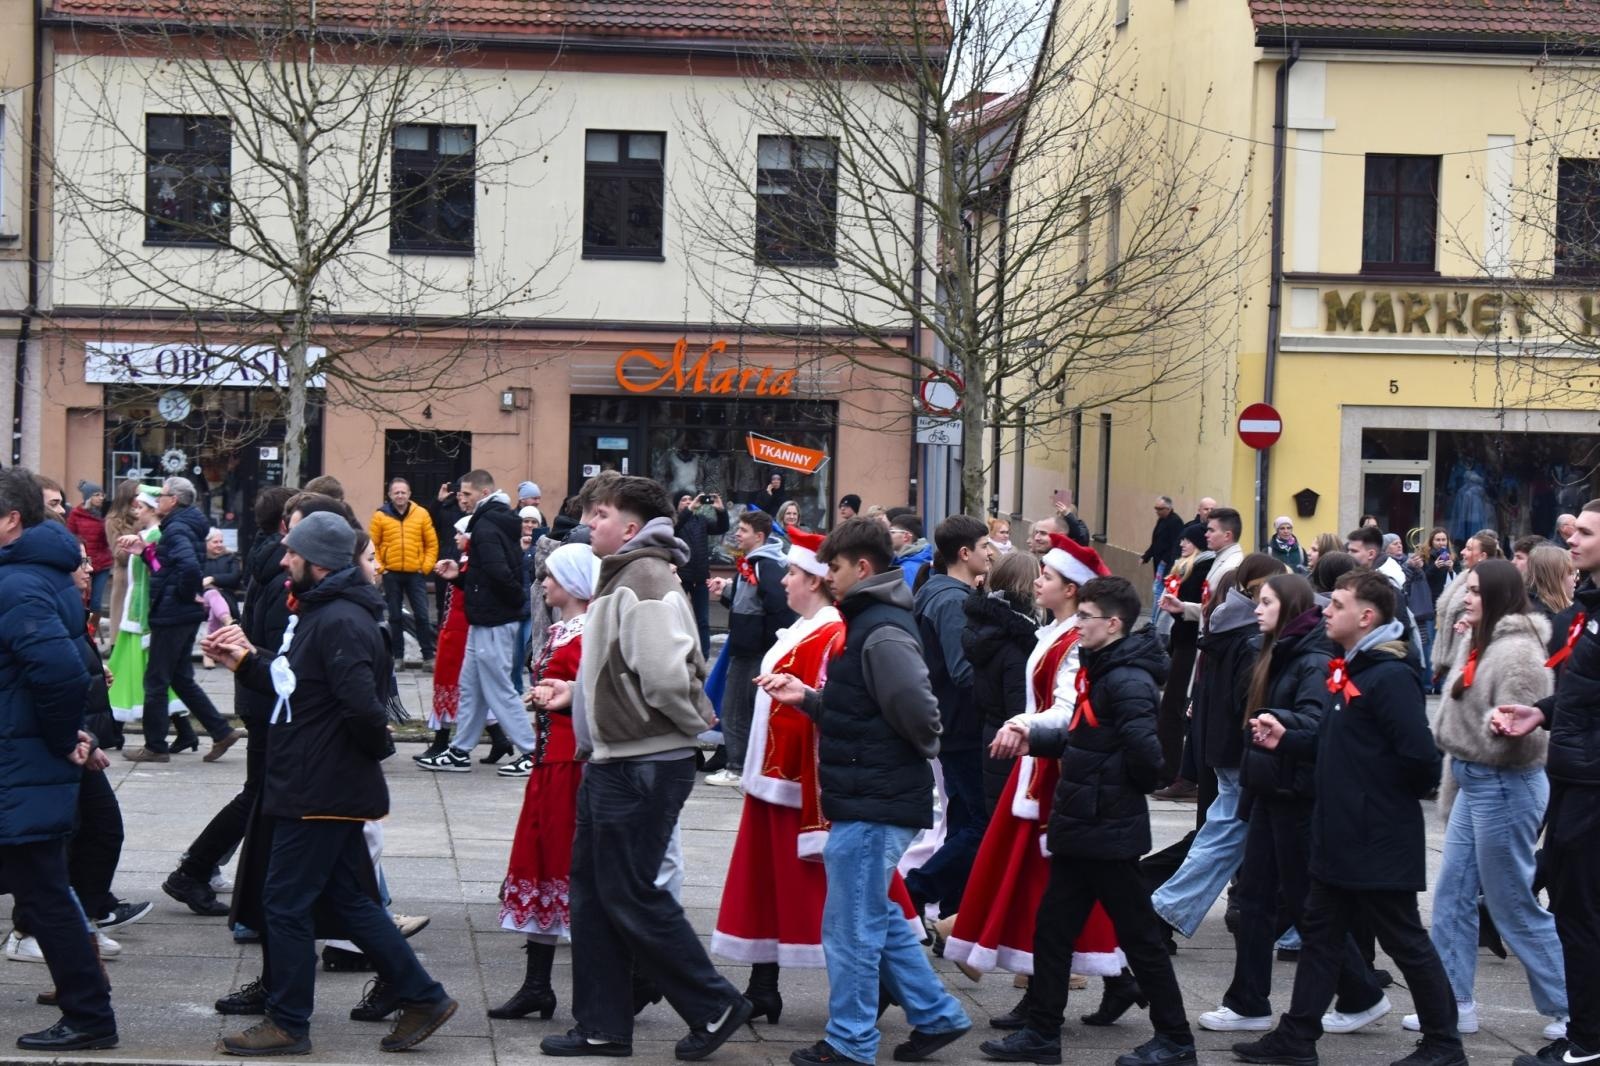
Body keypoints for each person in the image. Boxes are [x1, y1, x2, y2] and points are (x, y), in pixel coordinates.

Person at [207, 512, 457, 1056]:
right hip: (316, 781)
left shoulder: (340, 619)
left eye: (292, 553)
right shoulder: (322, 613)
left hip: (319, 787)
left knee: (286, 903)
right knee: (351, 902)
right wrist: (245, 661)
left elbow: (363, 710)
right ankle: (423, 996)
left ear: (317, 562)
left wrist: (362, 762)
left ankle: (289, 1022)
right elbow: (298, 684)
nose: (284, 560)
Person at [539, 474, 750, 1061]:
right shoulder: (625, 575)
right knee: (597, 895)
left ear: (632, 527)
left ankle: (714, 1005)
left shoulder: (646, 577)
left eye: (601, 514)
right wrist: (579, 699)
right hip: (613, 760)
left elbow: (662, 675)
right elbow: (619, 669)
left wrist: (689, 724)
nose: (590, 524)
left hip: (642, 763)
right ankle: (603, 1026)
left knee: (629, 893)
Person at [757, 517, 971, 1066]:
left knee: (850, 928)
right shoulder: (870, 623)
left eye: (833, 566)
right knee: (874, 917)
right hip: (869, 795)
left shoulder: (881, 629)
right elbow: (865, 711)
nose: (826, 575)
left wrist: (902, 751)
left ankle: (851, 1042)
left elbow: (922, 715)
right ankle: (938, 1015)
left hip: (876, 800)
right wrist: (807, 697)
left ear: (863, 568)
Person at [1236, 570, 1461, 1066]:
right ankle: (1297, 1039)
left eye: (1335, 605)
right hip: (1339, 834)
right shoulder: (1352, 669)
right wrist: (1287, 739)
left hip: (1374, 835)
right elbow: (1337, 745)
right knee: (1319, 935)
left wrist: (1368, 798)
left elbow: (1421, 760)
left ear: (1366, 616)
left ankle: (1444, 1044)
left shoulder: (1390, 676)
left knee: (1404, 939)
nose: (1324, 612)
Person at [979, 576, 1195, 1066]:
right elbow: (1086, 739)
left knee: (1140, 939)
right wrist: (1037, 742)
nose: (1077, 625)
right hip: (1081, 826)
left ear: (1113, 624)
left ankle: (1176, 1040)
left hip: (1106, 829)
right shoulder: (1103, 670)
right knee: (1053, 931)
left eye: (1085, 617)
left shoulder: (1128, 680)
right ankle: (1041, 1032)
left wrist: (1105, 786)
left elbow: (1149, 759)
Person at [711, 525, 921, 1026]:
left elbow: (839, 711)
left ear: (817, 581)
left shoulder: (832, 632)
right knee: (770, 887)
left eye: (793, 573)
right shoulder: (807, 629)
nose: (783, 581)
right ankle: (764, 986)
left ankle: (896, 988)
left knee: (847, 893)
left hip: (806, 790)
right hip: (777, 784)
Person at [948, 539, 1133, 1028]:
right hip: (1037, 770)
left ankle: (1086, 987)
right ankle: (1105, 982)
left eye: (1047, 577)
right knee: (1046, 886)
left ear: (1070, 590)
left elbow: (1068, 709)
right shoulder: (1054, 631)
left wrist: (1023, 726)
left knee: (1052, 886)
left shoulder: (1074, 641)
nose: (1037, 581)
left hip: (1052, 773)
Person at [1199, 573, 1385, 1034]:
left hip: (1295, 795)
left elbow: (1315, 725)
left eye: (1265, 603)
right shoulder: (1277, 652)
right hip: (1271, 788)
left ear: (1289, 607)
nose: (1256, 609)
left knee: (1302, 904)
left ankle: (1361, 992)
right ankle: (1248, 1002)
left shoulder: (1312, 658)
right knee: (1257, 899)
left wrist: (1274, 719)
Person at [1408, 559, 1568, 1041]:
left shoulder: (1519, 651)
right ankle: (1454, 1003)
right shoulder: (1480, 641)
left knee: (1511, 902)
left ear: (1497, 597)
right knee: (1452, 896)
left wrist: (1497, 730)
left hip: (1505, 783)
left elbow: (1525, 733)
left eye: (1475, 591)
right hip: (1473, 779)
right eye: (1466, 589)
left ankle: (1576, 1006)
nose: (1466, 597)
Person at [0, 466, 117, 1052]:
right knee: (45, 895)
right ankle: (90, 1010)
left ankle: (91, 1015)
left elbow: (61, 670)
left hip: (21, 768)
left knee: (46, 897)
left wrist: (58, 738)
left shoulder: (17, 584)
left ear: (11, 520)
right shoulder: (31, 575)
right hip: (22, 765)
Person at [1493, 500, 1600, 1066]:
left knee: (1580, 915)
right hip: (1572, 777)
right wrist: (1543, 712)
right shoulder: (1585, 609)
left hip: (1590, 785)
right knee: (1574, 912)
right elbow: (1585, 695)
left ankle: (1586, 1043)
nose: (1571, 539)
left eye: (1584, 531)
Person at [162, 486, 296, 919]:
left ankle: (205, 871)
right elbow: (275, 649)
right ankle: (195, 871)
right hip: (267, 699)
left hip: (261, 695)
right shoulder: (279, 571)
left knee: (259, 794)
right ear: (284, 525)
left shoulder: (266, 560)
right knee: (257, 795)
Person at [489, 542, 598, 1021]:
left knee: (563, 865)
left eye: (550, 577)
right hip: (549, 761)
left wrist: (564, 698)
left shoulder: (591, 633)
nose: (543, 584)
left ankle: (623, 979)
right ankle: (537, 984)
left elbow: (602, 695)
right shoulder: (563, 630)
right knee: (539, 862)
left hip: (572, 763)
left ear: (573, 583)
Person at [1149, 556, 1282, 942]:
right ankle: (1161, 910)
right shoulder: (1249, 634)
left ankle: (1288, 927)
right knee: (1223, 837)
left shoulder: (1229, 622)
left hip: (1228, 749)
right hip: (1242, 753)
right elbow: (1246, 701)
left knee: (1223, 835)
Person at [417, 471, 537, 776]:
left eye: (467, 494)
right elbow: (489, 573)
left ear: (484, 493)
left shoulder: (484, 526)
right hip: (486, 618)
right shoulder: (492, 521)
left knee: (498, 688)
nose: (461, 498)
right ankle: (459, 750)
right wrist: (460, 577)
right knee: (470, 686)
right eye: (460, 494)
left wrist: (511, 603)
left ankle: (532, 750)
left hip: (493, 619)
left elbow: (500, 573)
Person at [120, 476, 243, 763]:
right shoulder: (183, 526)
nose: (158, 499)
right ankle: (221, 730)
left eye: (161, 495)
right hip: (181, 612)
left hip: (173, 613)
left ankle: (155, 746)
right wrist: (146, 552)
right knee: (180, 677)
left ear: (173, 500)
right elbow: (166, 567)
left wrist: (188, 594)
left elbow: (187, 567)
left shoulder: (176, 528)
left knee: (156, 680)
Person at [906, 514, 992, 920]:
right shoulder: (953, 600)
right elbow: (964, 672)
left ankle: (954, 919)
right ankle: (915, 890)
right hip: (963, 727)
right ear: (964, 553)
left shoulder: (934, 591)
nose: (990, 552)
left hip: (949, 725)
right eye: (985, 546)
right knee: (983, 823)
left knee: (961, 821)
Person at [707, 508, 796, 786]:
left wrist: (768, 643)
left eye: (743, 530)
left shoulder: (763, 564)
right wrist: (727, 594)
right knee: (740, 707)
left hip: (751, 649)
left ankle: (736, 767)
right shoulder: (755, 562)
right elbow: (751, 602)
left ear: (759, 536)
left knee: (735, 708)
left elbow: (777, 606)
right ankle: (741, 765)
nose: (737, 534)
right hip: (749, 645)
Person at [1151, 523, 1213, 797]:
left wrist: (1178, 606)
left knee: (1175, 709)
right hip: (1183, 641)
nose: (1183, 544)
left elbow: (1197, 609)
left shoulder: (1202, 568)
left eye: (1188, 540)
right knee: (1174, 709)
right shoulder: (1188, 567)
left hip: (1190, 644)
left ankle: (1173, 773)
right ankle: (1172, 771)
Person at [416, 516, 471, 763]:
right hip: (453, 630)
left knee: (451, 685)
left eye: (460, 533)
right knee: (456, 688)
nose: (456, 537)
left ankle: (441, 744)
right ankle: (500, 740)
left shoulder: (470, 565)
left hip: (460, 633)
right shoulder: (464, 562)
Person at [370, 477, 440, 669]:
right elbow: (373, 544)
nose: (400, 495)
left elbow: (431, 543)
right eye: (396, 492)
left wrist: (425, 567)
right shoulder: (380, 516)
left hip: (415, 574)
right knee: (394, 616)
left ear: (409, 494)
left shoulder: (421, 514)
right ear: (390, 495)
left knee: (422, 615)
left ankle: (428, 656)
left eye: (403, 492)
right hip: (391, 574)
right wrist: (382, 567)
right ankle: (397, 657)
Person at [1432, 529, 1503, 687]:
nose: (1463, 552)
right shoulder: (1464, 577)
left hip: (1472, 662)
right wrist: (1441, 659)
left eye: (1469, 549)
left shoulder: (1492, 582)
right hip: (1453, 661)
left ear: (1483, 556)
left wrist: (1469, 622)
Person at [674, 491, 729, 657]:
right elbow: (674, 527)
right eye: (684, 500)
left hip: (700, 578)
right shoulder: (674, 521)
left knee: (702, 621)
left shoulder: (701, 520)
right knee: (677, 618)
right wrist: (690, 509)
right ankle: (678, 653)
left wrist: (720, 510)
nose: (688, 502)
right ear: (677, 505)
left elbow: (722, 527)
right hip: (680, 578)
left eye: (691, 499)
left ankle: (704, 655)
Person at [67, 480, 111, 630]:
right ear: (88, 497)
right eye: (96, 495)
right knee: (83, 597)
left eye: (102, 494)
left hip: (104, 561)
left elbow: (110, 539)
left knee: (96, 602)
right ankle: (81, 627)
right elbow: (71, 536)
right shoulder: (76, 514)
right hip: (87, 559)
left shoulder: (106, 514)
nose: (101, 498)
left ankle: (92, 630)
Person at [1527, 544, 1580, 657]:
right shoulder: (1545, 620)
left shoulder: (1531, 606)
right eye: (1571, 573)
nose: (1577, 579)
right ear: (1555, 578)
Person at [1142, 497, 1184, 621]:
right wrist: (1146, 556)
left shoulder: (1175, 522)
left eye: (1160, 509)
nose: (1157, 511)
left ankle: (1154, 622)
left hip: (1166, 564)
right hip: (1160, 562)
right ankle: (1154, 620)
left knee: (1159, 592)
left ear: (1168, 508)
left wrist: (1167, 562)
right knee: (1158, 591)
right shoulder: (1161, 520)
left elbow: (1175, 545)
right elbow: (1155, 542)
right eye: (1156, 508)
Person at [429, 480, 464, 623]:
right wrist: (438, 501)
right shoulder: (445, 508)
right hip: (445, 560)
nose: (463, 497)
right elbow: (428, 522)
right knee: (442, 605)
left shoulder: (475, 511)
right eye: (461, 492)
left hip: (464, 562)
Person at [891, 514, 933, 586]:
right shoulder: (913, 562)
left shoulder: (909, 569)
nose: (888, 535)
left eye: (892, 532)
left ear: (906, 536)